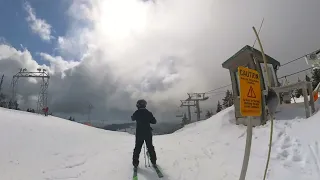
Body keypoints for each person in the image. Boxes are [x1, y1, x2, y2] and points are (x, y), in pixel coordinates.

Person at [131, 99, 157, 167]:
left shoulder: (136, 112)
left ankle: (135, 163)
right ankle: (153, 161)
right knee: (150, 147)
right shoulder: (148, 112)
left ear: (138, 105)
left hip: (139, 133)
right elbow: (154, 121)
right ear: (145, 105)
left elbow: (132, 118)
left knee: (137, 148)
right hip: (148, 133)